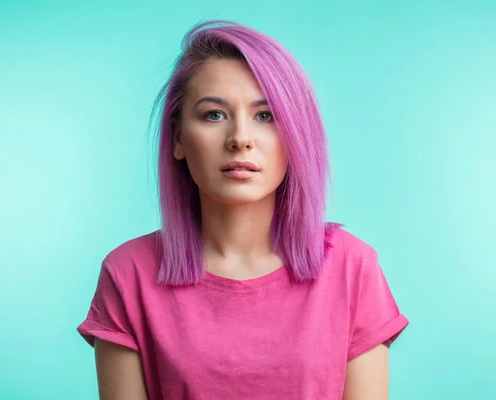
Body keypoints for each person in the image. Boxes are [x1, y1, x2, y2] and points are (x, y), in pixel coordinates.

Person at [77, 19, 408, 400]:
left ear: (297, 136)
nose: (240, 139)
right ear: (178, 138)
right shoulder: (128, 273)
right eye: (214, 115)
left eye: (265, 116)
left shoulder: (353, 268)